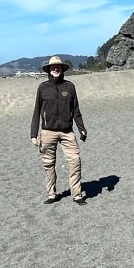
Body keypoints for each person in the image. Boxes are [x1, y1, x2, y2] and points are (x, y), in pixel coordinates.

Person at [30, 56, 88, 205]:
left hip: (67, 132)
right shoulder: (42, 87)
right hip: (47, 132)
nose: (55, 69)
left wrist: (82, 129)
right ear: (49, 70)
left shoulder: (69, 86)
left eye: (58, 67)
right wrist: (33, 134)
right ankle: (52, 194)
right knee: (48, 164)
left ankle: (76, 195)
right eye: (53, 67)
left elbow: (76, 110)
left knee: (75, 161)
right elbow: (36, 111)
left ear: (62, 69)